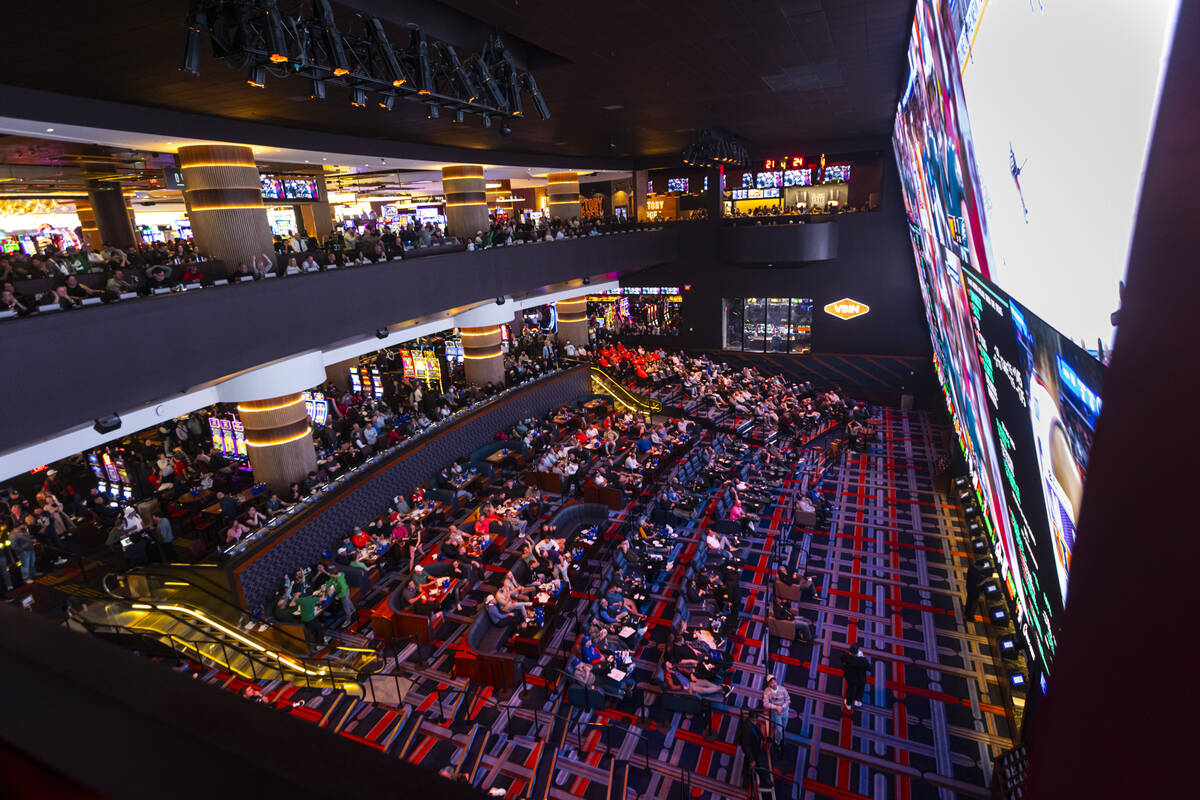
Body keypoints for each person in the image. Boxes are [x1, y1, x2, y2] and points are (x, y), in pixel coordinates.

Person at [761, 675, 790, 747]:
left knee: (784, 727)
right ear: (769, 684)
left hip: (785, 712)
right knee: (779, 729)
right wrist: (775, 707)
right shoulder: (767, 691)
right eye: (771, 682)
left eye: (774, 681)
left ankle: (780, 737)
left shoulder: (782, 689)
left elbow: (788, 700)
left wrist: (782, 707)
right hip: (777, 714)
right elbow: (765, 703)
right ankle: (777, 742)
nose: (774, 683)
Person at [840, 642, 869, 711]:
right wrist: (862, 657)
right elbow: (868, 667)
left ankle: (849, 704)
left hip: (850, 677)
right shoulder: (862, 661)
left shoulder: (846, 657)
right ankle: (858, 701)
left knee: (850, 690)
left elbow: (842, 660)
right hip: (860, 677)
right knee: (860, 689)